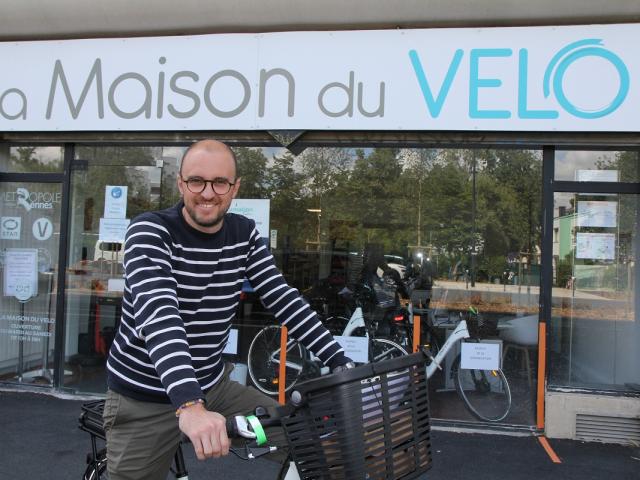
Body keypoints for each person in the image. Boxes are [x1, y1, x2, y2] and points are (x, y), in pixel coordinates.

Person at [104, 139, 352, 480]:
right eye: (196, 181)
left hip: (214, 390)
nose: (208, 193)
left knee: (301, 437)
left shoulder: (243, 233)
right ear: (181, 183)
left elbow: (282, 297)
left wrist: (341, 361)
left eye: (220, 182)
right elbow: (159, 314)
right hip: (146, 399)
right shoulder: (151, 231)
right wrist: (189, 405)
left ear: (234, 188)